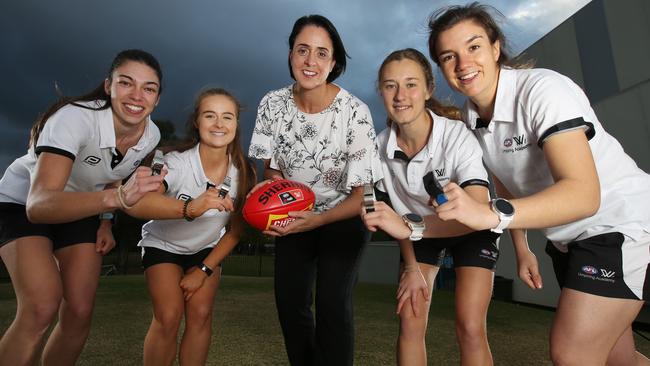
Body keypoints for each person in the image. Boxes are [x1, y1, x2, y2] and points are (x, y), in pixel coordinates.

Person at [428, 3, 650, 365]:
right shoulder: (473, 120)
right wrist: (523, 248)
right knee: (619, 359)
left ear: (496, 47)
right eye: (448, 56)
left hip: (616, 221)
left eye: (473, 47)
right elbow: (511, 185)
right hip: (570, 241)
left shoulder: (543, 90)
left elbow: (583, 194)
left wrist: (489, 214)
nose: (463, 64)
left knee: (571, 354)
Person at [0, 49, 164, 366]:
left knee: (79, 311)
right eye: (126, 83)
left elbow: (113, 178)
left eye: (149, 88)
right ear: (108, 86)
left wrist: (105, 222)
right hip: (23, 203)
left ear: (157, 99)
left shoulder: (151, 134)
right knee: (41, 306)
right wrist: (115, 201)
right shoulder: (74, 118)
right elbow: (40, 205)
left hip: (81, 207)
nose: (137, 96)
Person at [248, 14, 381, 366]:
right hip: (294, 216)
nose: (311, 61)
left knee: (333, 304)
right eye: (302, 50)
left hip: (345, 214)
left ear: (334, 62)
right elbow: (273, 173)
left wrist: (316, 221)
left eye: (322, 53)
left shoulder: (356, 112)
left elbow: (360, 196)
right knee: (290, 303)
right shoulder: (271, 105)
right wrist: (274, 204)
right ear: (290, 54)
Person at [361, 48, 499, 366]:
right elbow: (396, 218)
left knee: (470, 327)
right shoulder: (377, 150)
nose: (400, 95)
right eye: (389, 85)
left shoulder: (457, 135)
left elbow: (478, 210)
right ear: (380, 91)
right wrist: (410, 268)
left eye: (411, 84)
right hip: (419, 236)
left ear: (428, 89)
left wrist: (410, 226)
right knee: (410, 321)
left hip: (472, 230)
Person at [123, 88, 255, 366]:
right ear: (197, 121)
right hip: (163, 245)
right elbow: (138, 204)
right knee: (169, 316)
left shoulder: (244, 172)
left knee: (201, 314)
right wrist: (190, 208)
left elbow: (235, 232)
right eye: (210, 115)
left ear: (235, 125)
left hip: (206, 250)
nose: (219, 124)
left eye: (227, 117)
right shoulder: (175, 163)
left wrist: (204, 270)